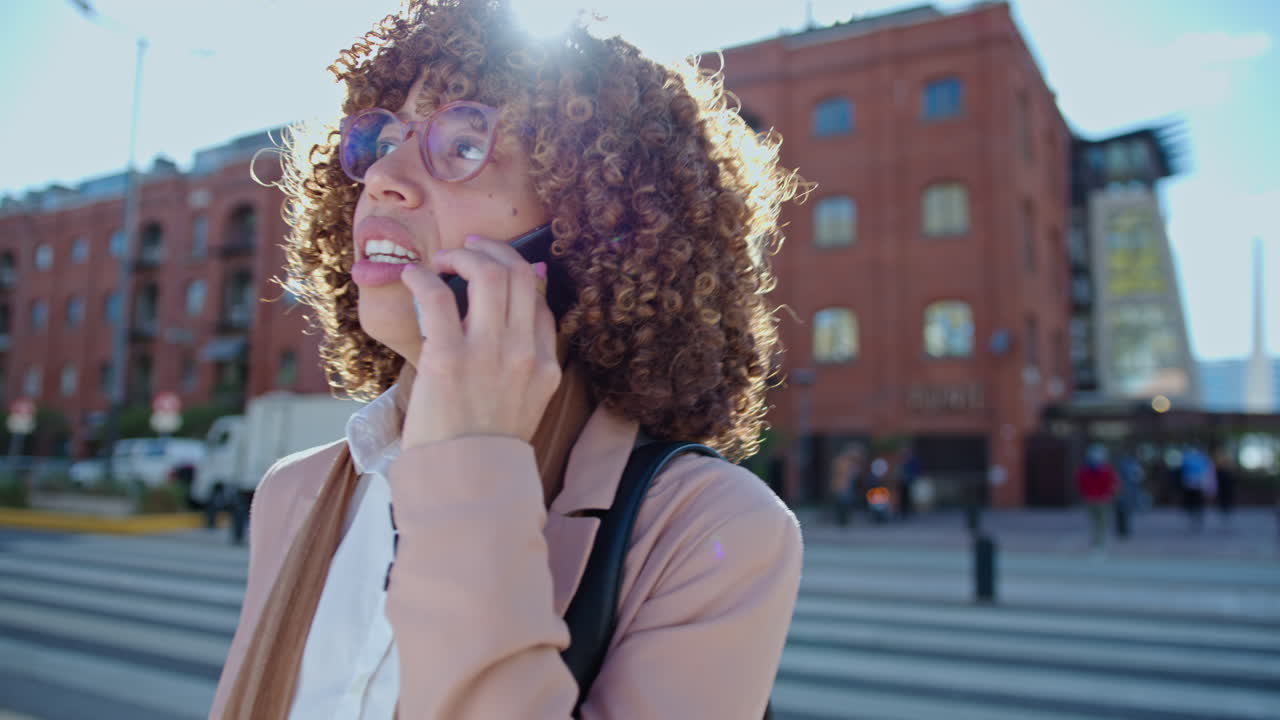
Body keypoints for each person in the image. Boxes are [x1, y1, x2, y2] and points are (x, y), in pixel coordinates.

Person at [209, 2, 804, 718]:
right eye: (378, 141)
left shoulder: (712, 529)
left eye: (462, 144)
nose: (382, 178)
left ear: (594, 225)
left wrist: (471, 458)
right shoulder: (292, 494)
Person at [1074, 444, 1117, 552]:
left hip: (1094, 498)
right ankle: (1099, 542)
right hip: (1100, 498)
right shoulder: (1104, 469)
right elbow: (1113, 483)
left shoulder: (1087, 470)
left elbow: (1080, 483)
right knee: (1100, 522)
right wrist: (1110, 494)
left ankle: (1097, 542)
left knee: (1096, 522)